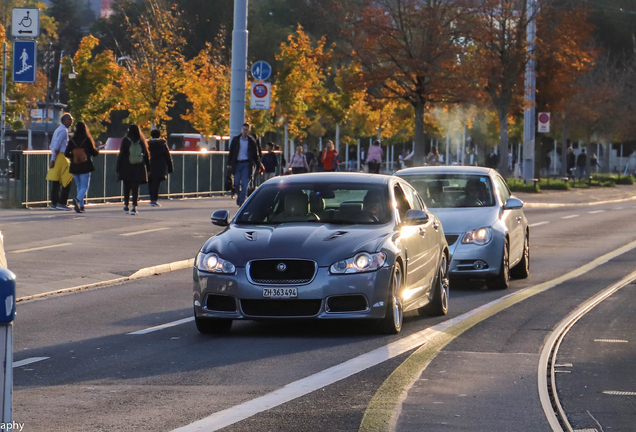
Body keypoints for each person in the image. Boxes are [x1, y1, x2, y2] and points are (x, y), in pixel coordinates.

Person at [64, 122, 103, 213]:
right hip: (85, 165)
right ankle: (77, 200)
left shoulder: (72, 140)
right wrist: (97, 151)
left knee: (79, 185)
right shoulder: (87, 140)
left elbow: (66, 153)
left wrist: (74, 157)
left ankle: (81, 206)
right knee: (85, 186)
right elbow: (93, 153)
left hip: (74, 165)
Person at [117, 125, 150, 215]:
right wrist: (148, 167)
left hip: (126, 166)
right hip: (138, 167)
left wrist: (118, 167)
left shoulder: (126, 140)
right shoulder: (141, 141)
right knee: (135, 187)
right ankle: (134, 207)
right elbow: (146, 155)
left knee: (126, 187)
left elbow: (121, 154)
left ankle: (126, 205)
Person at [46, 113, 74, 210]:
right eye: (69, 120)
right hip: (61, 157)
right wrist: (53, 159)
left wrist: (53, 158)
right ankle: (62, 202)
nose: (71, 122)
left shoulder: (58, 129)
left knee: (56, 181)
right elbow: (57, 146)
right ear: (64, 121)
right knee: (67, 179)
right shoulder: (63, 131)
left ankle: (54, 203)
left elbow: (53, 145)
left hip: (57, 157)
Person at [228, 123, 261, 206]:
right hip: (237, 163)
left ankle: (242, 201)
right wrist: (229, 163)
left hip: (246, 164)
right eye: (244, 129)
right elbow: (231, 152)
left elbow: (255, 154)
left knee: (244, 183)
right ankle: (240, 196)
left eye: (246, 130)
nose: (245, 131)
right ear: (241, 129)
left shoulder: (251, 142)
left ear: (248, 131)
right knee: (236, 183)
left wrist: (258, 165)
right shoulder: (236, 140)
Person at [147, 129, 174, 207]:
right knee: (156, 183)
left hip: (149, 165)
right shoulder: (162, 144)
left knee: (150, 182)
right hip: (160, 166)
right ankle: (154, 199)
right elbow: (167, 156)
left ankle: (151, 198)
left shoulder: (147, 144)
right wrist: (170, 167)